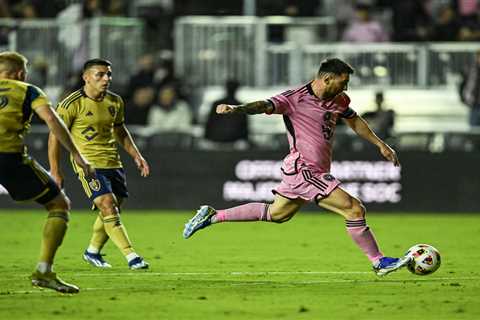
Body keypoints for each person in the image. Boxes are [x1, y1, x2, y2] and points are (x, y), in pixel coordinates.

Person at [183, 58, 410, 276]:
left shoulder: (339, 99)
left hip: (314, 169)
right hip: (304, 169)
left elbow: (354, 120)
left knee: (277, 213)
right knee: (354, 208)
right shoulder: (295, 98)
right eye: (343, 82)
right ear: (327, 79)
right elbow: (264, 105)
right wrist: (237, 109)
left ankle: (212, 216)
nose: (346, 87)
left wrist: (380, 144)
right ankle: (379, 261)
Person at [0, 51, 95, 293]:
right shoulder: (28, 90)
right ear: (20, 74)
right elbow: (52, 121)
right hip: (9, 158)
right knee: (58, 205)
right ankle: (44, 272)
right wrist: (77, 155)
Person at [48, 58, 150, 270]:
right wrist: (55, 170)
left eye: (109, 74)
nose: (106, 79)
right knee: (107, 204)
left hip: (113, 162)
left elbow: (120, 131)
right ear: (86, 77)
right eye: (100, 74)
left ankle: (92, 251)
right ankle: (132, 256)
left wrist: (136, 155)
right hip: (87, 164)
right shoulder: (71, 104)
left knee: (113, 208)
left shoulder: (115, 101)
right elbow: (54, 137)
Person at [204, 79, 249, 144]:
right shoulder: (240, 106)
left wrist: (207, 137)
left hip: (217, 138)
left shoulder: (217, 104)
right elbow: (244, 127)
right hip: (234, 140)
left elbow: (210, 122)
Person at [459, 51, 480, 127]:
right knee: (473, 129)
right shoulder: (470, 69)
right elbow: (462, 84)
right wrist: (463, 98)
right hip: (474, 104)